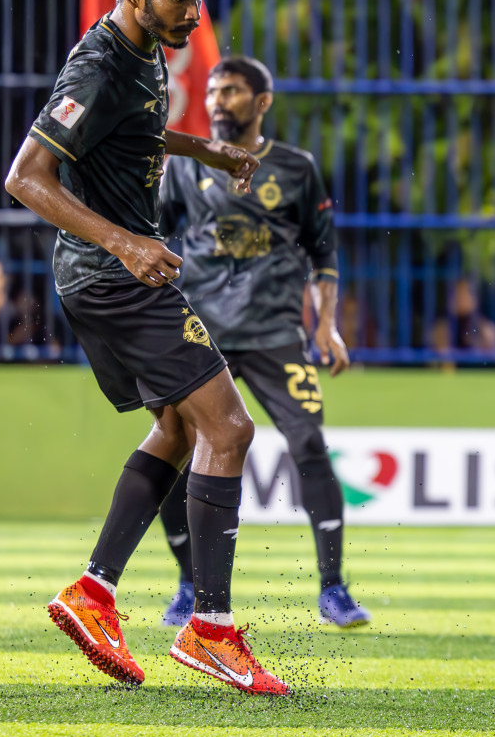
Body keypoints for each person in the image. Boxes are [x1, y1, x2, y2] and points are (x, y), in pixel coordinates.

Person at [4, 0, 288, 694]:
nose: (195, 12)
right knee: (228, 428)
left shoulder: (143, 50)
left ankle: (94, 593)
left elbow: (133, 138)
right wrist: (127, 244)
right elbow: (26, 179)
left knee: (176, 427)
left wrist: (208, 148)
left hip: (111, 275)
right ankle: (212, 629)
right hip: (115, 274)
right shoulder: (96, 66)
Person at [156, 55, 371, 627]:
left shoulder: (297, 169)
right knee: (173, 447)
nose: (218, 101)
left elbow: (323, 253)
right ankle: (186, 585)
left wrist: (326, 325)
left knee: (308, 441)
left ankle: (333, 589)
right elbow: (151, 235)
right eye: (213, 92)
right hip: (201, 336)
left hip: (277, 334)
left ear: (263, 101)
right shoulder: (184, 168)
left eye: (231, 91)